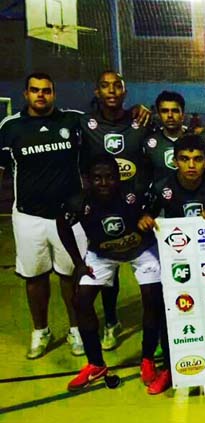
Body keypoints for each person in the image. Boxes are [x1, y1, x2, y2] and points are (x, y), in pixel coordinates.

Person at [57, 156, 169, 394]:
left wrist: (147, 214)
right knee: (81, 301)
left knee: (152, 299)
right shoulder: (78, 202)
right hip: (102, 254)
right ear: (87, 179)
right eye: (97, 178)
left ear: (119, 178)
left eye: (110, 177)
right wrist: (78, 263)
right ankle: (96, 364)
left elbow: (157, 200)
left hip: (142, 250)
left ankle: (148, 359)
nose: (104, 183)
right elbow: (62, 226)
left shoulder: (134, 194)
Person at [0, 72, 86, 358]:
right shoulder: (10, 126)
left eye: (46, 90)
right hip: (28, 216)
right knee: (35, 276)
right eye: (35, 90)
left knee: (71, 274)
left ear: (53, 94)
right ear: (25, 94)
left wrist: (138, 111)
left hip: (69, 216)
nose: (41, 95)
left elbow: (107, 121)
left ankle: (77, 329)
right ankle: (41, 331)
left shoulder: (72, 121)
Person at [79, 70, 153, 350]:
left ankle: (157, 331)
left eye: (117, 86)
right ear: (96, 92)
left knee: (146, 269)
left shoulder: (140, 122)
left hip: (136, 205)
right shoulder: (84, 123)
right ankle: (111, 321)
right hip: (102, 205)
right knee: (107, 263)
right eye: (105, 86)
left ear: (125, 92)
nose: (111, 90)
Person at [140, 134, 205, 222]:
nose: (191, 165)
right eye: (184, 159)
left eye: (198, 159)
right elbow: (147, 216)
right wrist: (145, 221)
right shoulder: (161, 187)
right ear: (175, 162)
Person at [145, 91, 186, 184]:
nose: (170, 115)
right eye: (164, 111)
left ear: (183, 114)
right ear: (159, 115)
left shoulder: (196, 140)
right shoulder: (148, 143)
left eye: (175, 111)